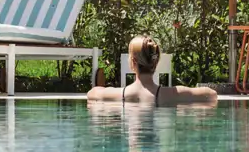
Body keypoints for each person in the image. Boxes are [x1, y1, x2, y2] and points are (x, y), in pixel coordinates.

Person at [87, 36, 218, 106]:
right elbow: (211, 94)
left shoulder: (117, 95)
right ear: (156, 62)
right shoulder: (171, 94)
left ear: (133, 63)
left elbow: (92, 93)